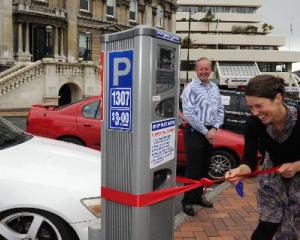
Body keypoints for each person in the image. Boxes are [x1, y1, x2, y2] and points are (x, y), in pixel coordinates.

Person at [225, 74, 300, 240]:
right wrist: (239, 170)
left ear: (278, 98)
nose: (255, 112)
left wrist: (295, 167)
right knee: (268, 224)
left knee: (293, 228)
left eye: (258, 106)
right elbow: (249, 162)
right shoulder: (253, 124)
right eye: (251, 107)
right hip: (273, 176)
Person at [181, 57, 224, 216]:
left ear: (210, 69)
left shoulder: (214, 87)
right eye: (201, 69)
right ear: (196, 70)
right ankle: (187, 201)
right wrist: (206, 132)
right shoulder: (190, 88)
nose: (204, 72)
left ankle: (198, 197)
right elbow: (188, 114)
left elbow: (220, 110)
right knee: (193, 169)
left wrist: (214, 128)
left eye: (207, 69)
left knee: (205, 167)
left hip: (210, 131)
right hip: (195, 132)